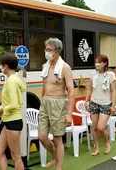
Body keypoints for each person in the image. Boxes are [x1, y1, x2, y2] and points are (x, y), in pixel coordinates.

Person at [38, 38, 74, 170]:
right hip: (46, 101)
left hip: (59, 102)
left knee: (58, 139)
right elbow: (45, 85)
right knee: (42, 136)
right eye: (46, 49)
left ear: (57, 51)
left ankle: (59, 167)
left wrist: (69, 114)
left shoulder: (65, 68)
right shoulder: (45, 66)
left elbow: (71, 91)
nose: (46, 52)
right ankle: (54, 155)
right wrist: (42, 100)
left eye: (49, 49)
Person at [0, 52, 26, 170]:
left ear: (5, 66)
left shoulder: (11, 81)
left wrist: (0, 109)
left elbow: (14, 104)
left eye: (1, 65)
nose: (0, 67)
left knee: (16, 156)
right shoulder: (14, 79)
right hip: (9, 121)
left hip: (13, 122)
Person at [85, 54, 116, 156]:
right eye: (96, 62)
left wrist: (113, 105)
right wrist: (86, 100)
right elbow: (89, 88)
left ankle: (107, 142)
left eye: (99, 62)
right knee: (94, 128)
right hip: (94, 102)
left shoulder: (111, 75)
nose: (97, 64)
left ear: (105, 63)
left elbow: (113, 91)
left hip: (106, 104)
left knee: (100, 127)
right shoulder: (92, 74)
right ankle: (97, 148)